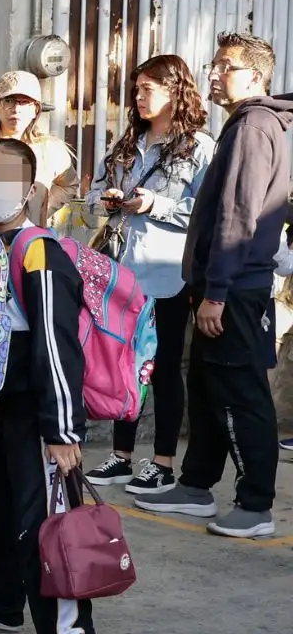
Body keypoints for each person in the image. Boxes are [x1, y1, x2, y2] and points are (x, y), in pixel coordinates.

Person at [135, 33, 293, 539]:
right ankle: (196, 486)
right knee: (206, 388)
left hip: (237, 289)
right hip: (216, 284)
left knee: (240, 394)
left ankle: (255, 506)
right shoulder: (243, 125)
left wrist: (218, 292)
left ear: (255, 76)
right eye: (216, 64)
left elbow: (238, 215)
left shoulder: (254, 126)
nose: (215, 74)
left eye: (227, 66)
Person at [0, 137, 103, 634]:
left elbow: (55, 345)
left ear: (30, 191)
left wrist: (62, 430)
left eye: (7, 181)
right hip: (10, 407)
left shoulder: (40, 250)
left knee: (49, 529)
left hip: (42, 417)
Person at [84, 55, 215, 494]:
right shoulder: (125, 144)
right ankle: (120, 457)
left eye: (149, 89)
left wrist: (154, 205)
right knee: (123, 363)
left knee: (161, 369)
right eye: (137, 89)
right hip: (119, 273)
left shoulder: (200, 147)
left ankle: (162, 462)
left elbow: (207, 212)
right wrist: (106, 200)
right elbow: (91, 198)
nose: (139, 98)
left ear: (175, 91)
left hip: (167, 275)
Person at [0, 71, 75, 483]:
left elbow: (71, 190)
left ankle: (47, 432)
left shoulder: (54, 151)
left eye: (25, 102)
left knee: (40, 344)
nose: (16, 108)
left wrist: (51, 202)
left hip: (33, 255)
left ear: (37, 109)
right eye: (8, 101)